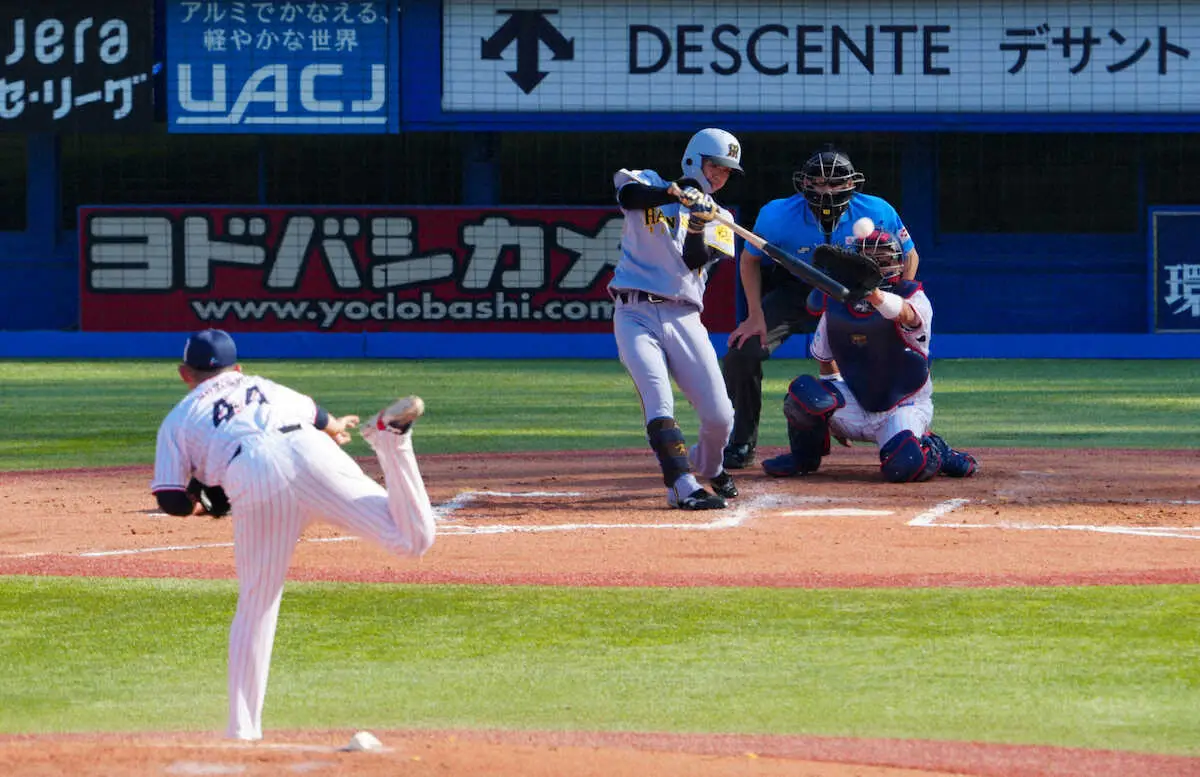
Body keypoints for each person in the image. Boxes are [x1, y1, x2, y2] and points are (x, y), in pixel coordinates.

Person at [149, 328, 436, 741]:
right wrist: (337, 428)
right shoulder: (261, 385)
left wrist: (208, 505)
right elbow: (319, 418)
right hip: (313, 452)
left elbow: (171, 499)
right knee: (413, 540)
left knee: (258, 603)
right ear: (238, 368)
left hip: (253, 473)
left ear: (184, 374)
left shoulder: (179, 417)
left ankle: (243, 732)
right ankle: (390, 442)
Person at [721, 146, 920, 470]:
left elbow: (909, 256)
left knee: (893, 355)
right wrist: (754, 316)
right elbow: (749, 261)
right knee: (741, 354)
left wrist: (898, 303)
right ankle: (742, 440)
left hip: (856, 292)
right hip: (795, 289)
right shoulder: (776, 214)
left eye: (835, 183)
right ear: (804, 183)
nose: (826, 190)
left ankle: (908, 428)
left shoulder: (878, 210)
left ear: (852, 183)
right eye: (818, 182)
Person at [759, 227, 977, 482]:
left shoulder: (914, 298)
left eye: (883, 261)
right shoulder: (836, 305)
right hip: (857, 399)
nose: (876, 267)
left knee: (904, 467)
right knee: (805, 395)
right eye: (868, 263)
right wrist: (828, 412)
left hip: (902, 405)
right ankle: (803, 458)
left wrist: (872, 293)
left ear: (897, 264)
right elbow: (825, 360)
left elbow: (905, 314)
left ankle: (934, 448)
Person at [610, 128, 743, 510]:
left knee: (720, 417)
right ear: (694, 159)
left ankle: (710, 467)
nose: (719, 177)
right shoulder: (648, 182)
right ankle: (681, 484)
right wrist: (675, 192)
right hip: (634, 311)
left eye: (727, 172)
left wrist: (699, 221)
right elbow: (629, 196)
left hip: (684, 316)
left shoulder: (722, 217)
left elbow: (695, 260)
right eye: (715, 167)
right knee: (658, 399)